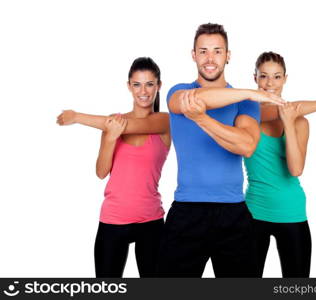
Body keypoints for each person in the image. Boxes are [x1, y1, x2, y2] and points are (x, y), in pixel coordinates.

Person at [156, 23, 287, 278]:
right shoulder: (177, 91)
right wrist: (250, 93)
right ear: (193, 55)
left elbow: (247, 145)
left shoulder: (246, 104)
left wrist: (202, 119)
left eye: (217, 51)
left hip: (233, 213)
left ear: (228, 56)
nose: (210, 58)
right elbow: (198, 99)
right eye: (203, 51)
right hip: (187, 210)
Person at [56, 57, 170, 277]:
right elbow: (101, 172)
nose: (143, 91)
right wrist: (110, 138)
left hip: (151, 219)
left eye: (149, 84)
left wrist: (77, 116)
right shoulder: (111, 123)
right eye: (137, 84)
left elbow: (134, 126)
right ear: (129, 86)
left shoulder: (163, 121)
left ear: (158, 86)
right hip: (113, 218)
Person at [244, 51, 316, 277]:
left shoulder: (300, 122)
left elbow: (296, 169)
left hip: (291, 211)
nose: (270, 83)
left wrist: (289, 123)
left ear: (285, 79)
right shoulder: (245, 114)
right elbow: (270, 111)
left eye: (277, 77)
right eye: (264, 76)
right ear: (255, 78)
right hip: (253, 212)